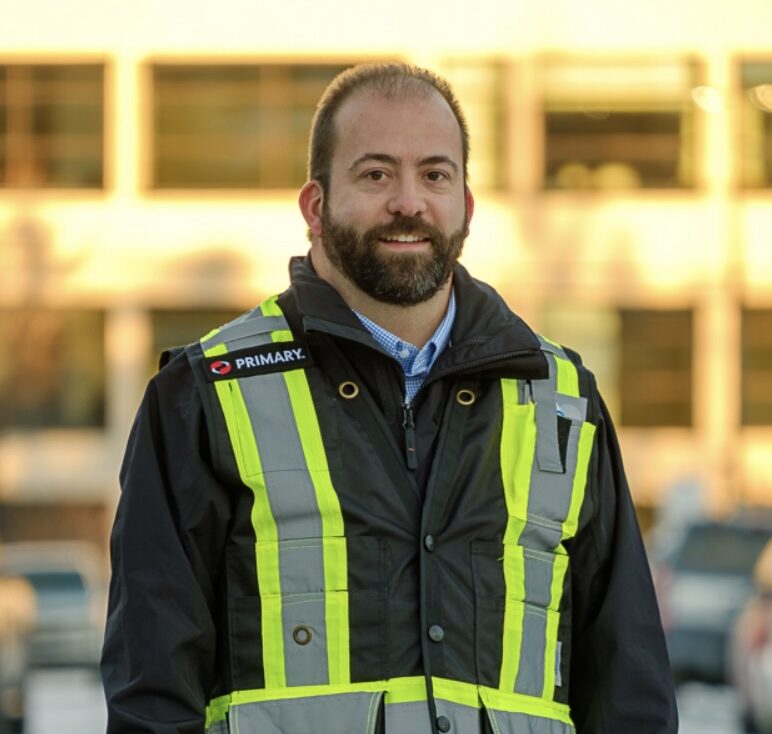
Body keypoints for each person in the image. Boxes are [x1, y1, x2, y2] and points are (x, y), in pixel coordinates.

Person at [101, 63, 679, 734]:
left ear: (466, 202)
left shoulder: (563, 401)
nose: (409, 201)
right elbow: (152, 693)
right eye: (376, 174)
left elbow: (628, 686)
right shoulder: (205, 396)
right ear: (315, 207)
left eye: (435, 175)